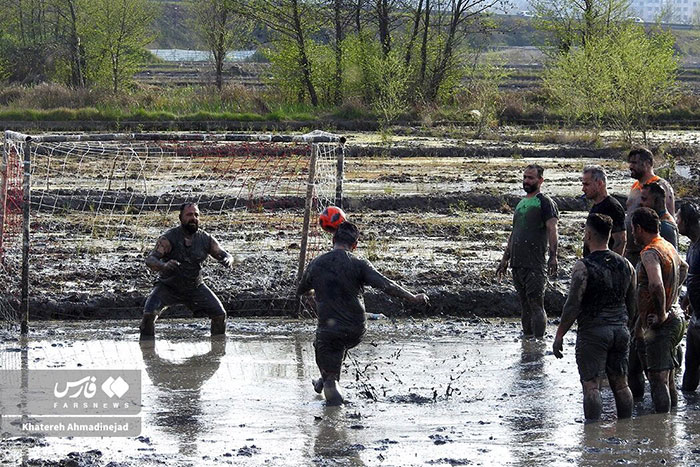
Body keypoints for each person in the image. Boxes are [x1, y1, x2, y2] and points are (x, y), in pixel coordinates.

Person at [296, 221, 429, 405]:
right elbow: (386, 284)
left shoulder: (316, 264)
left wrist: (315, 290)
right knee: (329, 349)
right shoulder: (359, 264)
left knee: (329, 370)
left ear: (333, 239)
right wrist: (413, 297)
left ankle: (336, 416)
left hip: (330, 329)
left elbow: (301, 290)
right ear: (355, 245)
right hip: (356, 329)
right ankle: (321, 381)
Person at [552, 214, 635, 420]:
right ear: (609, 236)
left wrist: (560, 334)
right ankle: (628, 429)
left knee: (591, 386)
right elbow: (633, 305)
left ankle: (591, 435)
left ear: (588, 234)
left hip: (593, 332)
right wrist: (628, 327)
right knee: (621, 384)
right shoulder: (627, 266)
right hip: (620, 330)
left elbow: (572, 305)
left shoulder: (583, 267)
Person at [140, 202, 233, 339]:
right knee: (149, 314)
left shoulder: (205, 239)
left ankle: (217, 349)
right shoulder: (168, 238)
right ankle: (147, 349)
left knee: (220, 315)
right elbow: (150, 260)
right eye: (189, 215)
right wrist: (163, 265)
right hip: (168, 287)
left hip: (195, 287)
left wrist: (227, 259)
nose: (193, 218)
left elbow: (224, 253)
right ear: (180, 217)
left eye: (196, 215)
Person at [629, 207, 688, 413]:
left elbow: (655, 284)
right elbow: (684, 267)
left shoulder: (649, 252)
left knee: (657, 380)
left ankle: (661, 430)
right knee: (668, 377)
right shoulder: (667, 246)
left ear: (638, 228)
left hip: (661, 323)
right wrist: (673, 298)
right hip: (675, 317)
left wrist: (662, 312)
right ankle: (670, 426)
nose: (632, 235)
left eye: (633, 230)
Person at [497, 164, 559, 338]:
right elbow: (514, 233)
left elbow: (552, 229)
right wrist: (504, 259)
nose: (526, 181)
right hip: (517, 263)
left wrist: (554, 256)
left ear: (540, 180)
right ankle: (527, 340)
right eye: (525, 177)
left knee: (536, 304)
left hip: (535, 263)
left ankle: (538, 341)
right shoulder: (521, 203)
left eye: (531, 178)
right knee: (524, 304)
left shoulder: (545, 202)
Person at [624, 148, 675, 267]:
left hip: (651, 253)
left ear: (647, 163)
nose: (630, 166)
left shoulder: (660, 186)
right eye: (630, 162)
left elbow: (666, 219)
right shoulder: (636, 186)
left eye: (634, 163)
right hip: (632, 251)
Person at [678, 202, 700, 392]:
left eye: (678, 219)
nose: (676, 223)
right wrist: (685, 302)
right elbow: (692, 279)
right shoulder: (693, 245)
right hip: (695, 319)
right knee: (689, 374)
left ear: (685, 221)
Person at [581, 166, 626, 257]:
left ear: (600, 183)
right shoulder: (596, 205)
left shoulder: (612, 207)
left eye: (587, 184)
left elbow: (620, 241)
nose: (583, 189)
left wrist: (611, 266)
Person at [640, 182, 679, 249]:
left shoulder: (665, 227)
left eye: (644, 199)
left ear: (657, 201)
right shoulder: (659, 221)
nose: (641, 203)